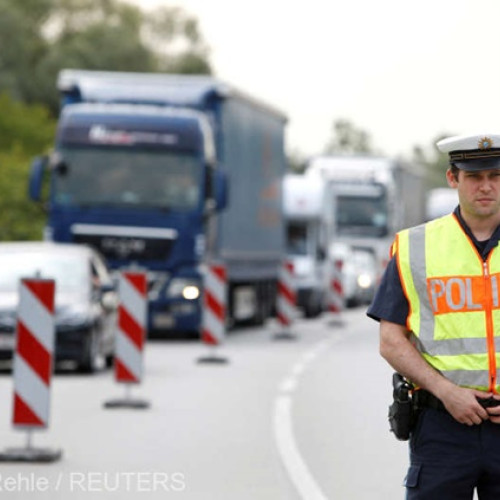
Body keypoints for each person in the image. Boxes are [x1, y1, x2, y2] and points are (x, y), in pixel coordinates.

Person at [367, 133, 500, 499]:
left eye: (495, 175)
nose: (486, 186)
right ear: (453, 178)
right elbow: (391, 341)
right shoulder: (415, 246)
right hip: (443, 427)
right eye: (474, 176)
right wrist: (447, 392)